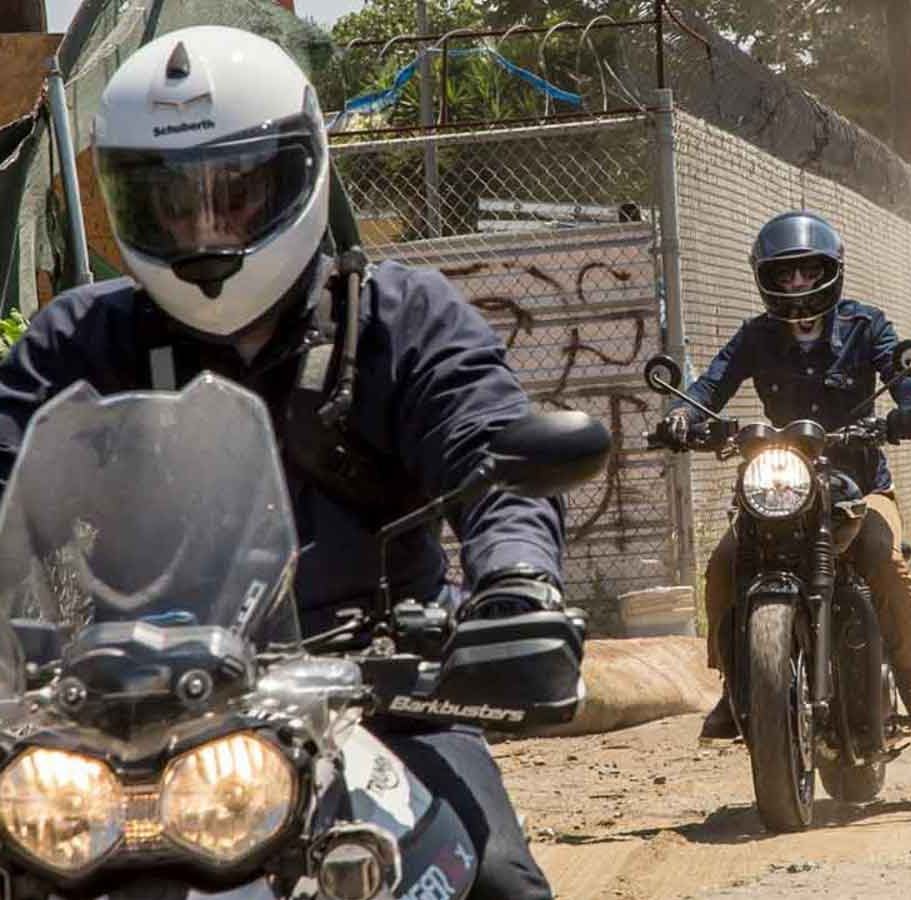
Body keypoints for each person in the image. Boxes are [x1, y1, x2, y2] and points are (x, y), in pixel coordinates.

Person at [0, 27, 564, 899]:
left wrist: (517, 582)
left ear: (298, 174)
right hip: (107, 721)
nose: (204, 226)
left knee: (491, 880)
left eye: (236, 193)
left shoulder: (400, 320)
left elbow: (489, 447)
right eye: (170, 201)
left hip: (376, 699)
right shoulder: (75, 342)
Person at [656, 211, 911, 740]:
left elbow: (901, 372)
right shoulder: (756, 336)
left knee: (881, 556)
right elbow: (711, 385)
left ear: (831, 271)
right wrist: (683, 415)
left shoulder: (865, 326)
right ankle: (735, 684)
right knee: (724, 566)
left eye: (809, 271)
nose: (797, 283)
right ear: (765, 278)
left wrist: (910, 411)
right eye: (784, 274)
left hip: (859, 484)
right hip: (783, 484)